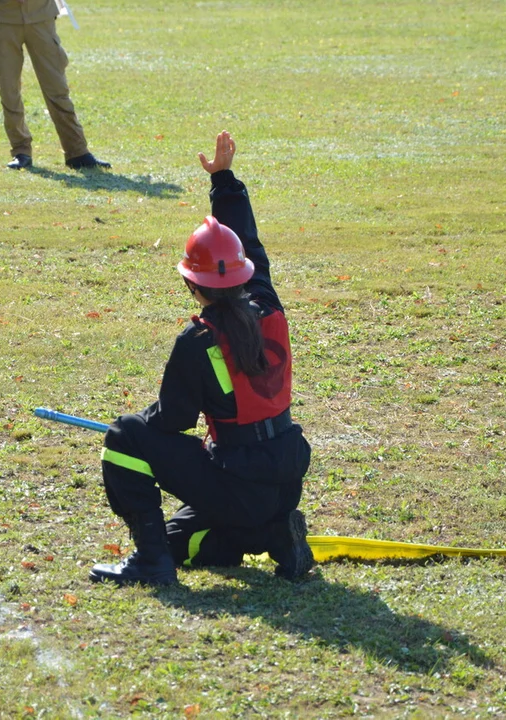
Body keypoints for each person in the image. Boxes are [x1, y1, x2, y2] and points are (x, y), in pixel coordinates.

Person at [90, 131, 313, 587]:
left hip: (239, 485)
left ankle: (152, 567)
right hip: (283, 481)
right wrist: (224, 180)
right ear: (244, 274)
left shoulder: (198, 340)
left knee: (126, 435)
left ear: (191, 286)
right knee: (176, 540)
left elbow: (171, 422)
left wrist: (141, 422)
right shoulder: (267, 302)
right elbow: (245, 244)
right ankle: (274, 534)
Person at [0, 0, 108, 170]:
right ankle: (21, 151)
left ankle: (77, 152)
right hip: (4, 17)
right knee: (9, 90)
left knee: (57, 88)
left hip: (40, 15)